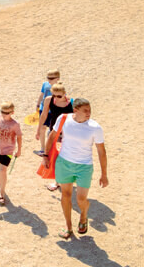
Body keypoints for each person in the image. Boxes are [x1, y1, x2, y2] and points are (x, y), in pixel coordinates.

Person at [42, 98, 108, 239]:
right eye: (85, 111)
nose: (88, 113)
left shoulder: (95, 127)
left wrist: (104, 174)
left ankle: (83, 216)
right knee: (65, 195)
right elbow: (52, 136)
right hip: (64, 163)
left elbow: (102, 152)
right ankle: (68, 226)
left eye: (90, 110)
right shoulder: (63, 119)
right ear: (75, 111)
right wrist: (46, 155)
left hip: (84, 167)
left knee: (81, 199)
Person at [36, 83, 74, 190]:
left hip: (68, 134)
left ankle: (67, 178)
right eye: (54, 95)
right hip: (54, 132)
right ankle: (58, 182)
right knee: (55, 157)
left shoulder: (72, 102)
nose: (56, 98)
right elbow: (44, 115)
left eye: (59, 96)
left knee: (67, 157)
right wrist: (39, 129)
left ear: (64, 94)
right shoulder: (48, 100)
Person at [0, 102, 22, 206]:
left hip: (8, 150)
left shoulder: (15, 124)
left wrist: (19, 150)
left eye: (7, 113)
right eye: (2, 112)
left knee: (3, 169)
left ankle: (2, 193)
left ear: (12, 113)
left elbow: (19, 137)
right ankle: (0, 186)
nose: (4, 114)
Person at [33, 70, 60, 155]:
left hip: (53, 110)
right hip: (43, 108)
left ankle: (51, 149)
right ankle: (42, 148)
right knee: (42, 128)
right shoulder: (45, 84)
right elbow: (42, 94)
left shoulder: (59, 87)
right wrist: (38, 105)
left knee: (52, 130)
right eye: (48, 78)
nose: (49, 80)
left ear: (58, 79)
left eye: (51, 78)